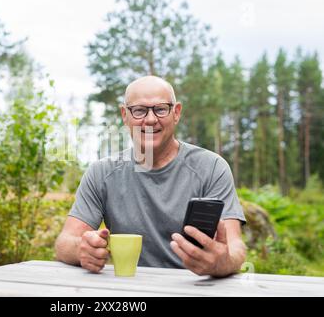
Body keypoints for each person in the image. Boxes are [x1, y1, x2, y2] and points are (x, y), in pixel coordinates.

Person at [55, 76, 246, 277]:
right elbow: (65, 242)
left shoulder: (212, 168)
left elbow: (235, 247)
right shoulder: (102, 173)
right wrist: (82, 249)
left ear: (176, 112)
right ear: (124, 115)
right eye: (139, 110)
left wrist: (222, 262)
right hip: (129, 293)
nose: (151, 119)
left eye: (161, 109)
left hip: (194, 288)